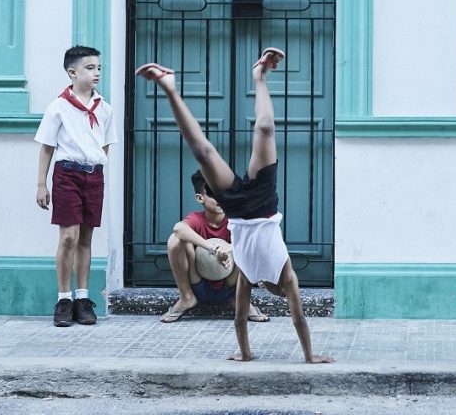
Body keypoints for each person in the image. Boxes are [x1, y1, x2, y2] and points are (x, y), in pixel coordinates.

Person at [135, 47, 332, 364]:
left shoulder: (249, 275)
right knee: (265, 128)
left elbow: (240, 320)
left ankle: (168, 86)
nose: (283, 291)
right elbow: (299, 319)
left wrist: (245, 354)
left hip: (238, 211)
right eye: (284, 292)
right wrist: (310, 357)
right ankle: (260, 76)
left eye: (281, 293)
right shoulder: (287, 273)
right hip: (264, 203)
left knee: (203, 153)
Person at [35, 45, 119, 327]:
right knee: (68, 237)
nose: (96, 73)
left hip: (93, 176)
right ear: (72, 72)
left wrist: (94, 167)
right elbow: (47, 147)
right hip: (66, 174)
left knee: (85, 238)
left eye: (98, 68)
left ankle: (82, 299)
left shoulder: (104, 109)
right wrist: (41, 185)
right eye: (90, 68)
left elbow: (105, 145)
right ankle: (63, 298)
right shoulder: (58, 107)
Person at [161, 170, 269, 324]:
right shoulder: (197, 219)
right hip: (198, 283)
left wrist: (230, 250)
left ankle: (239, 299)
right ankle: (186, 298)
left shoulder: (236, 219)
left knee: (250, 239)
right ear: (200, 198)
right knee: (175, 240)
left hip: (230, 284)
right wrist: (213, 249)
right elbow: (179, 229)